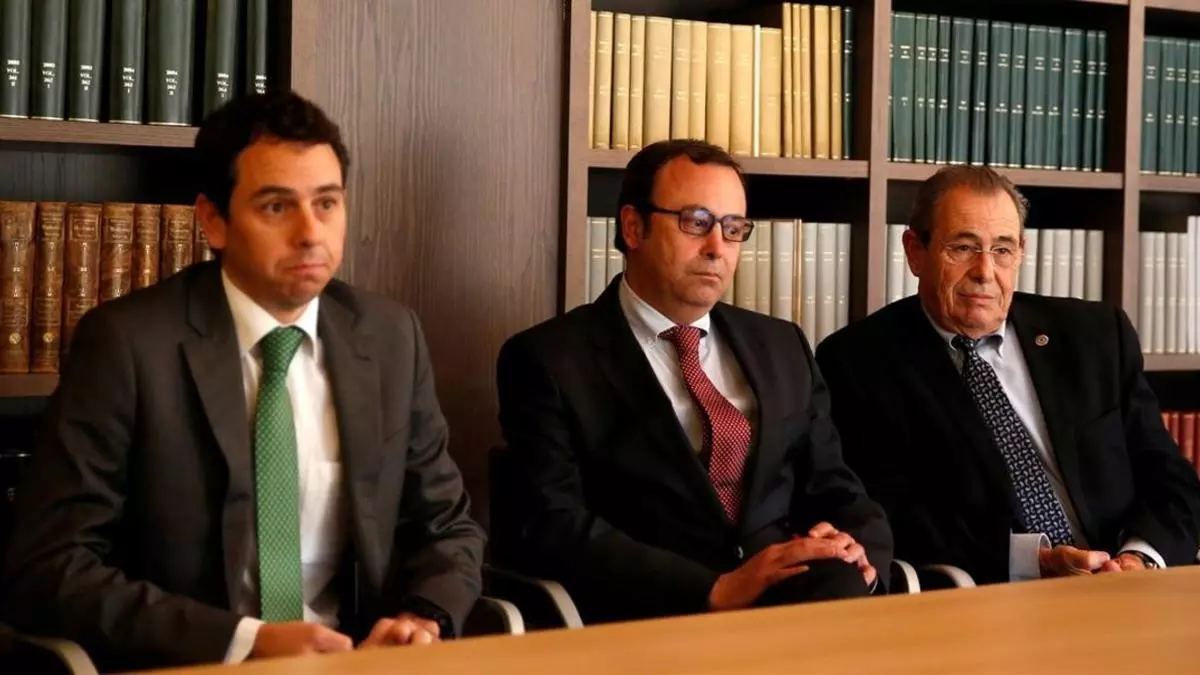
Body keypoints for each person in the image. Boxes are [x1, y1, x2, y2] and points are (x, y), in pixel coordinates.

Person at [1, 91, 486, 672]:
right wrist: (244, 641)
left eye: (327, 203)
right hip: (195, 663)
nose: (311, 233)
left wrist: (423, 617)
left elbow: (446, 525)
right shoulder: (128, 345)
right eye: (277, 207)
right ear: (213, 221)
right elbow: (51, 565)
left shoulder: (389, 338)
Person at [495, 139, 892, 624]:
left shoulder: (781, 345)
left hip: (790, 603)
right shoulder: (549, 359)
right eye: (696, 223)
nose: (716, 248)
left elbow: (836, 487)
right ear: (633, 227)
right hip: (650, 614)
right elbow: (554, 524)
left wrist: (856, 549)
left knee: (845, 588)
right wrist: (714, 589)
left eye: (733, 228)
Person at [815, 165, 1200, 585]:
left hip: (1129, 584)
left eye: (1002, 249)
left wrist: (1138, 559)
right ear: (915, 251)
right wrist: (1033, 561)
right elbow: (897, 522)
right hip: (995, 596)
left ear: (1020, 252)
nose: (985, 271)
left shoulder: (1095, 336)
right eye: (963, 248)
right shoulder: (859, 363)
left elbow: (1170, 479)